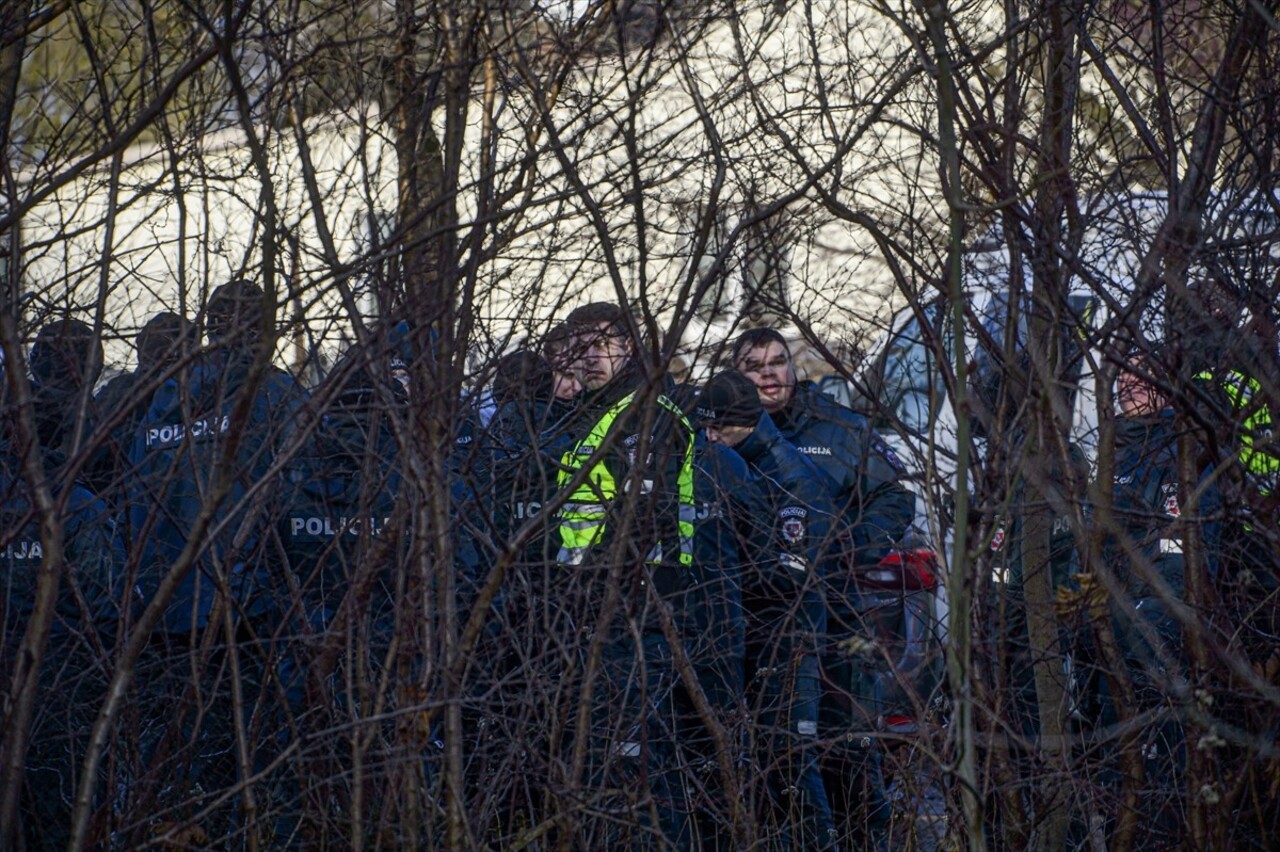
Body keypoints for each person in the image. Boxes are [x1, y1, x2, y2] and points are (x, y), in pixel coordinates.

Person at [123, 278, 307, 843]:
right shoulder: (275, 394)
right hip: (246, 615)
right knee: (247, 767)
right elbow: (298, 501)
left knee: (172, 768)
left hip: (160, 612)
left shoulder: (163, 397)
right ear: (268, 330)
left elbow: (136, 499)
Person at [732, 327, 911, 841]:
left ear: (793, 368)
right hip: (762, 621)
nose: (768, 373)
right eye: (754, 365)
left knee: (850, 749)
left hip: (839, 616)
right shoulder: (726, 432)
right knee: (780, 755)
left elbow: (895, 497)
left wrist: (851, 549)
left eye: (777, 362)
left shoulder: (839, 425)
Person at [553, 301, 694, 849]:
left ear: (629, 348)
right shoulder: (602, 411)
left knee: (640, 771)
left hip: (636, 617)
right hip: (600, 618)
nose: (588, 357)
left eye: (600, 345)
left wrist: (588, 591)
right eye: (578, 346)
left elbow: (640, 526)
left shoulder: (644, 415)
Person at [697, 369, 840, 851]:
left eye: (719, 430)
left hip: (789, 640)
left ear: (744, 424)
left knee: (789, 759)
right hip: (751, 639)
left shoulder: (792, 477)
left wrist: (732, 567)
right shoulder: (740, 464)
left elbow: (794, 577)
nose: (711, 441)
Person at [1094, 352, 1222, 847]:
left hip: (1158, 633)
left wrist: (1143, 609)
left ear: (1165, 388)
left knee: (1164, 758)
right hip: (1111, 632)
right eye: (1122, 379)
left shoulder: (1180, 453)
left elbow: (1184, 551)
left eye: (1140, 379)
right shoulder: (1109, 454)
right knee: (1115, 759)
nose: (1130, 388)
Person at [1, 365, 122, 850]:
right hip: (59, 693)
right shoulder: (75, 503)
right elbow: (106, 608)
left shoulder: (71, 504)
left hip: (55, 689)